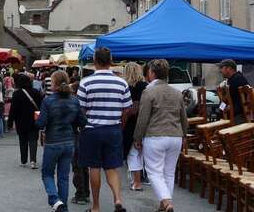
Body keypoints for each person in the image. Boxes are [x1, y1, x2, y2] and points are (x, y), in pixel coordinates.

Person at [77, 47, 132, 212]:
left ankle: (96, 206)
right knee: (112, 167)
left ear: (94, 61)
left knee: (94, 167)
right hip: (113, 129)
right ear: (111, 61)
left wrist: (83, 126)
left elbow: (81, 109)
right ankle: (117, 199)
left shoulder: (85, 82)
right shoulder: (122, 83)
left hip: (92, 130)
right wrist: (120, 125)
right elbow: (127, 109)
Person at [134, 59, 188, 212]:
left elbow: (143, 118)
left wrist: (137, 137)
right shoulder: (177, 92)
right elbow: (183, 116)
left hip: (155, 135)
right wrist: (184, 135)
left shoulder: (148, 92)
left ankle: (166, 202)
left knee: (154, 172)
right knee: (169, 173)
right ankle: (164, 204)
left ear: (152, 73)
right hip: (175, 135)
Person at [37, 71, 87, 212]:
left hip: (53, 142)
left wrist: (35, 121)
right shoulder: (74, 100)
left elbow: (41, 123)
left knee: (47, 174)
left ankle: (55, 199)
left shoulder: (48, 101)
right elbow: (83, 121)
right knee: (63, 177)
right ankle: (62, 207)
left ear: (55, 84)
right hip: (69, 142)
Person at [122, 62, 148, 191]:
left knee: (133, 154)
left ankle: (137, 181)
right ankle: (141, 178)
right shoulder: (146, 86)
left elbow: (130, 109)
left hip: (131, 123)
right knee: (141, 152)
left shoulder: (126, 86)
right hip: (147, 122)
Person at [8, 73, 43, 169]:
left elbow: (13, 109)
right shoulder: (36, 92)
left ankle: (23, 160)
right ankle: (33, 161)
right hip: (33, 120)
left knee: (22, 140)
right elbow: (41, 107)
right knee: (33, 140)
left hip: (20, 121)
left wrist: (10, 122)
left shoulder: (16, 94)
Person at [69, 77, 90, 206]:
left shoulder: (76, 104)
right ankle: (85, 192)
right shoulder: (84, 103)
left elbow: (79, 121)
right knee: (84, 166)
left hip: (77, 135)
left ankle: (80, 194)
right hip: (85, 135)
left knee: (77, 166)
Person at [217, 59, 250, 124]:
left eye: (222, 68)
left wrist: (221, 109)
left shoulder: (236, 80)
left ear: (229, 68)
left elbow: (226, 101)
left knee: (220, 114)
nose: (220, 71)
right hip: (236, 114)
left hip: (238, 117)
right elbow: (226, 101)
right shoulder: (233, 79)